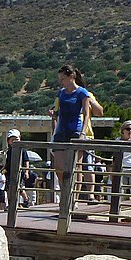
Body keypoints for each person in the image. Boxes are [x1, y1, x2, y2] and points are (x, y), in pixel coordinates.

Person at [48, 64, 102, 195]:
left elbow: (86, 113)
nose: (61, 82)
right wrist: (53, 114)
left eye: (63, 79)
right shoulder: (61, 93)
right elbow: (57, 111)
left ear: (71, 77)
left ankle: (74, 197)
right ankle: (64, 192)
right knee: (59, 167)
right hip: (61, 130)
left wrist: (83, 132)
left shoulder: (82, 92)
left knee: (75, 166)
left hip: (75, 130)